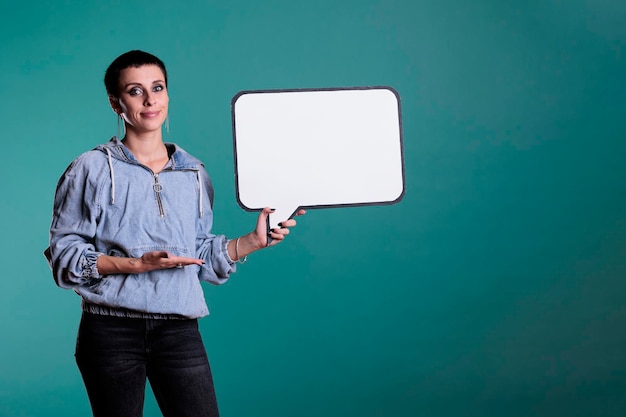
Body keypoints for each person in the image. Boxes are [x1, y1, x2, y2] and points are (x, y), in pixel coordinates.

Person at [44, 49, 304, 417]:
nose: (150, 100)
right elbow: (64, 255)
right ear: (115, 102)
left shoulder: (194, 173)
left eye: (158, 87)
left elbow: (197, 251)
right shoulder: (91, 169)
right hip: (109, 330)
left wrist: (252, 242)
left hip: (178, 330)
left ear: (167, 94)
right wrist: (134, 265)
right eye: (135, 91)